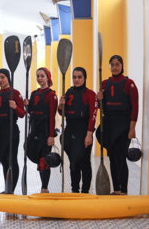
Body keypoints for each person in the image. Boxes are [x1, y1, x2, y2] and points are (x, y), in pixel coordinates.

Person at [97, 55, 138, 195]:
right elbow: (100, 108)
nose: (114, 67)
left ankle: (124, 190)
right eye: (112, 65)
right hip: (109, 125)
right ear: (109, 66)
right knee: (112, 158)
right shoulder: (104, 84)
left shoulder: (129, 83)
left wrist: (132, 128)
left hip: (124, 125)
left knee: (121, 157)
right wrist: (99, 100)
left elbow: (135, 107)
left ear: (122, 66)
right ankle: (116, 189)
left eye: (117, 64)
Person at [58, 67, 98, 193]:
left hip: (84, 131)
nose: (76, 80)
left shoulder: (90, 94)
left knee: (84, 162)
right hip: (70, 131)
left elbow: (93, 115)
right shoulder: (68, 92)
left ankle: (85, 191)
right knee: (73, 163)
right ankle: (74, 190)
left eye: (79, 77)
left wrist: (89, 134)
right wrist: (60, 104)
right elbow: (62, 113)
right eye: (74, 77)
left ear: (84, 78)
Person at [25, 67, 58, 193]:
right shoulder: (34, 93)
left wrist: (51, 136)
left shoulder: (51, 95)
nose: (39, 78)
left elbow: (51, 117)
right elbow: (31, 112)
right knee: (39, 160)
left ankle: (44, 187)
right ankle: (43, 186)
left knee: (45, 160)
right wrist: (27, 105)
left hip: (45, 132)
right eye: (38, 76)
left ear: (47, 77)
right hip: (34, 131)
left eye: (42, 76)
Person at [0, 68, 25, 192]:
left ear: (8, 78)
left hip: (11, 129)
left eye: (3, 77)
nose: (0, 80)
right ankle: (7, 186)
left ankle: (10, 189)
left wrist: (15, 107)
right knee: (3, 159)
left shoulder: (15, 93)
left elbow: (22, 114)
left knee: (12, 159)